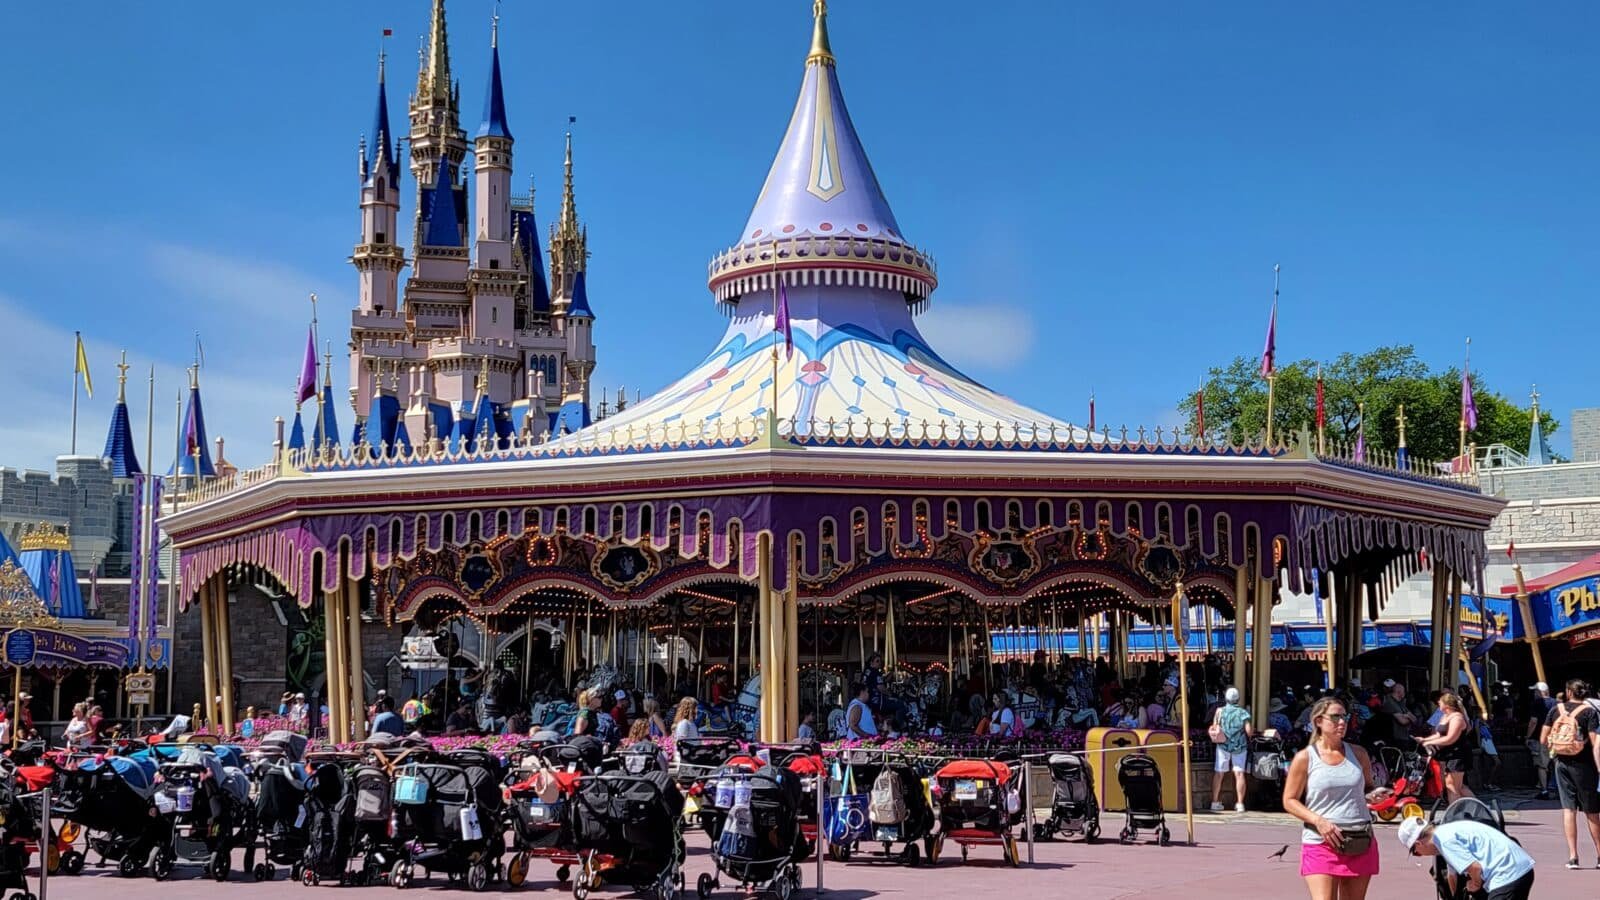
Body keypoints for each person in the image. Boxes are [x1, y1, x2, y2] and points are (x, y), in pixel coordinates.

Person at [1282, 697, 1389, 900]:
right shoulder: (1306, 757)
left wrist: (1374, 795)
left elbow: (1367, 787)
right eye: (1335, 717)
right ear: (1319, 721)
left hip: (1359, 839)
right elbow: (1289, 800)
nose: (1342, 722)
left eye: (1345, 717)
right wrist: (1319, 821)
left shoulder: (1358, 754)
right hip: (1322, 840)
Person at [1397, 815, 1535, 900]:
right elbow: (1452, 876)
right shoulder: (1445, 832)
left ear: (1418, 843)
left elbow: (1475, 868)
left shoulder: (1445, 841)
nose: (1420, 856)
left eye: (1416, 852)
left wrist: (1475, 884)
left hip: (1507, 873)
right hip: (1518, 867)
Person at [1540, 678, 1600, 869]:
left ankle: (1573, 857)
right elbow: (1595, 743)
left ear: (1568, 692)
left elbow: (1543, 738)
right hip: (1584, 766)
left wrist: (1557, 746)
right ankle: (1599, 854)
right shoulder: (1589, 712)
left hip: (1561, 763)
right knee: (1591, 811)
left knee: (1568, 809)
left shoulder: (1556, 710)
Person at [1418, 692, 1475, 801]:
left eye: (1440, 702)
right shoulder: (1445, 716)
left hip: (1458, 753)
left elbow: (1450, 738)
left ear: (1447, 705)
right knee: (1457, 786)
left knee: (1453, 786)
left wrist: (1431, 743)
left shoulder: (1457, 718)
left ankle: (1459, 812)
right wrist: (1425, 739)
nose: (1438, 703)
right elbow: (1439, 733)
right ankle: (1476, 809)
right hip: (1449, 754)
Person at [1211, 687, 1254, 813]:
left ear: (1226, 698)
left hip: (1222, 745)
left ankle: (1214, 801)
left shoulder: (1219, 711)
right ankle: (1240, 803)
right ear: (1237, 699)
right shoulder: (1242, 712)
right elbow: (1249, 731)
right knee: (1239, 774)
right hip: (1239, 746)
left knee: (1219, 773)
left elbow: (1215, 726)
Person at [1527, 682, 1556, 800]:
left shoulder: (1537, 703)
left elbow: (1533, 721)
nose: (1534, 694)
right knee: (1555, 764)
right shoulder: (1557, 703)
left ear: (1539, 692)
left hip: (1540, 737)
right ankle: (1559, 788)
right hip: (1554, 738)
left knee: (1542, 765)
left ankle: (1544, 790)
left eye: (1535, 691)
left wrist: (1527, 736)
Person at [1381, 681, 1417, 748]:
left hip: (1404, 737)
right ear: (1399, 692)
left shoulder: (1401, 703)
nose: (1404, 693)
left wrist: (1407, 716)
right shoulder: (1390, 703)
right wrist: (1408, 717)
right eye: (1404, 691)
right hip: (1395, 739)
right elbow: (1403, 721)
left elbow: (1415, 719)